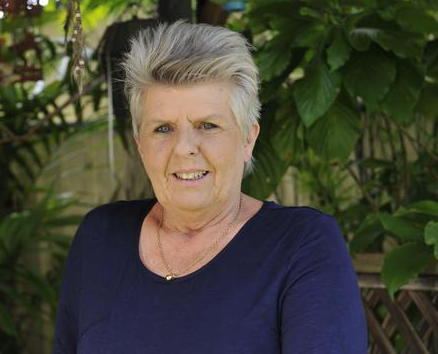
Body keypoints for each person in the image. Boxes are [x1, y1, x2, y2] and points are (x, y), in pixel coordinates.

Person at [52, 21, 367, 353]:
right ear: (140, 144)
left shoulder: (302, 244)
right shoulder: (100, 237)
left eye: (208, 125)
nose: (185, 147)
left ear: (248, 139)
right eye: (163, 129)